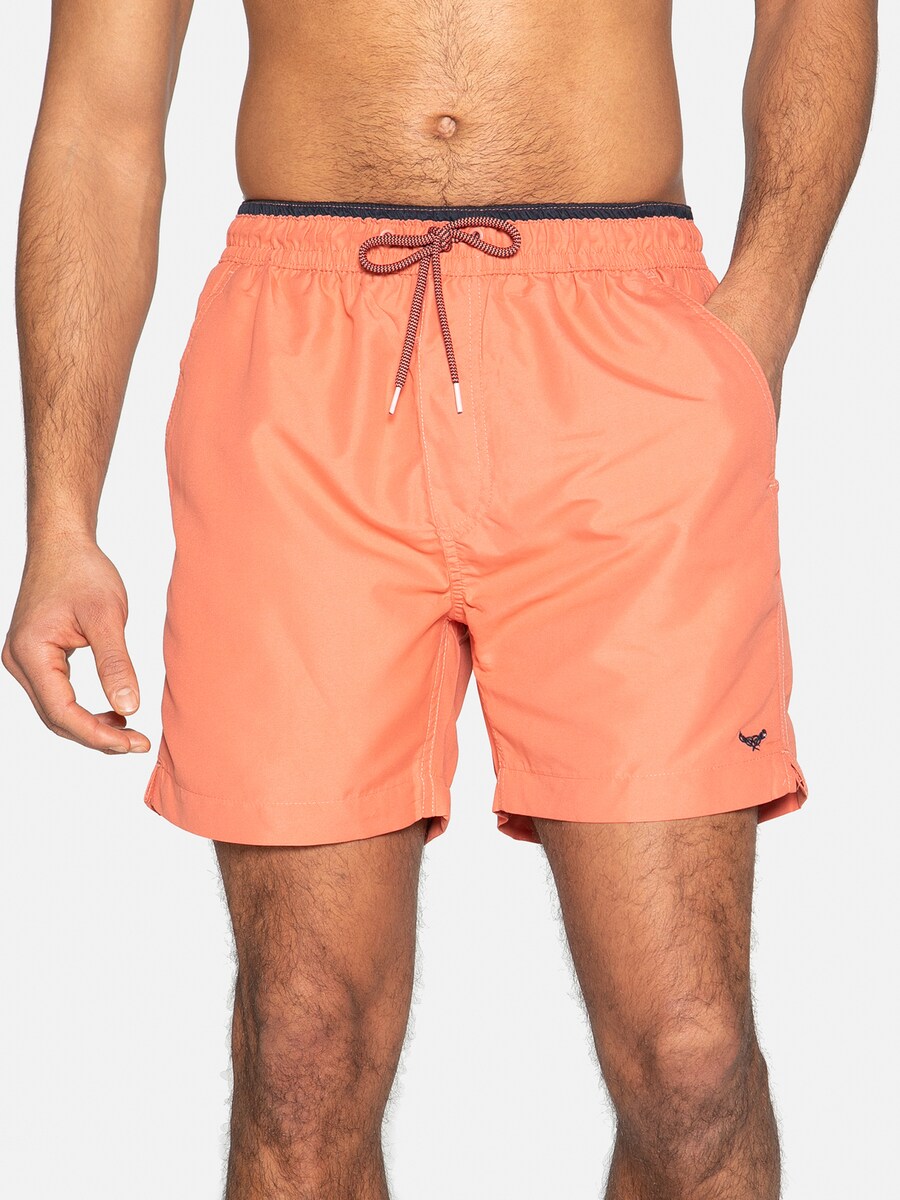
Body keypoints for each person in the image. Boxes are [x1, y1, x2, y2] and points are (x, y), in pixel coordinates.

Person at [3, 2, 877, 1197]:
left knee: (691, 1058)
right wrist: (60, 515)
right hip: (299, 367)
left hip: (623, 356)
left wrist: (759, 313)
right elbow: (98, 120)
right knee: (302, 1053)